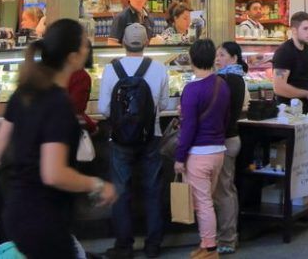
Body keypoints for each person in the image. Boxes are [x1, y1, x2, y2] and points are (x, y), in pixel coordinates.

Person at [0, 19, 119, 257]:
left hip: (17, 209)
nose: (88, 49)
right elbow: (53, 173)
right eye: (84, 44)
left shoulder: (25, 92)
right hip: (44, 215)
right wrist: (97, 184)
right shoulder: (59, 105)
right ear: (72, 57)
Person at [99, 24, 171, 259]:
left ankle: (124, 245)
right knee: (153, 190)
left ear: (123, 43)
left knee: (121, 190)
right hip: (152, 136)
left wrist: (124, 122)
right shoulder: (159, 69)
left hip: (120, 140)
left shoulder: (111, 70)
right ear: (147, 43)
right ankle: (153, 245)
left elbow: (103, 109)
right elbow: (163, 106)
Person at [174, 39, 231, 259]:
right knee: (206, 200)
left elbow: (188, 127)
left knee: (203, 203)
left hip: (198, 154)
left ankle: (210, 249)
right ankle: (205, 243)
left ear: (192, 59)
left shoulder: (191, 89)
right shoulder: (222, 85)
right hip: (218, 150)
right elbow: (225, 118)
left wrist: (180, 157)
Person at [214, 42, 248, 254]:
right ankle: (228, 235)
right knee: (227, 188)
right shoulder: (237, 78)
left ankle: (227, 238)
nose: (218, 58)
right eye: (216, 54)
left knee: (223, 191)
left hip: (223, 140)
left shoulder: (226, 79)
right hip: (232, 138)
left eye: (223, 55)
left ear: (234, 58)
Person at [272, 11, 308, 112]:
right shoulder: (284, 52)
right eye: (305, 28)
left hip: (307, 110)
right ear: (294, 30)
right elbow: (279, 87)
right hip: (287, 112)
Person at [67, 42, 97, 135]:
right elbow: (75, 111)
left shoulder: (61, 71)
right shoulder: (81, 76)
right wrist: (92, 125)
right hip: (69, 132)